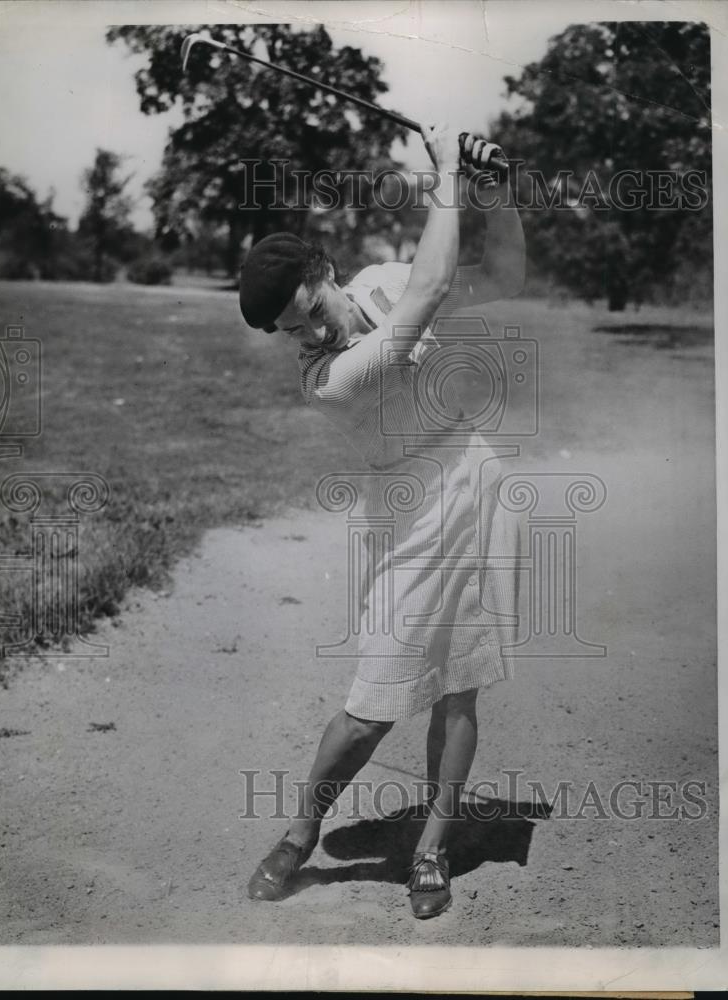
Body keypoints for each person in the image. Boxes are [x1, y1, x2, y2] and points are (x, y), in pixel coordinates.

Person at [239, 124, 526, 919]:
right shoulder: (327, 380)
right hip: (405, 511)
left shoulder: (376, 281)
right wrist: (443, 174)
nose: (308, 337)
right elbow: (429, 292)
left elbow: (499, 275)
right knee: (371, 706)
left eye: (308, 314)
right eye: (292, 334)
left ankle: (431, 847)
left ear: (324, 274)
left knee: (460, 691)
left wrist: (492, 191)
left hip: (472, 475)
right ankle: (301, 833)